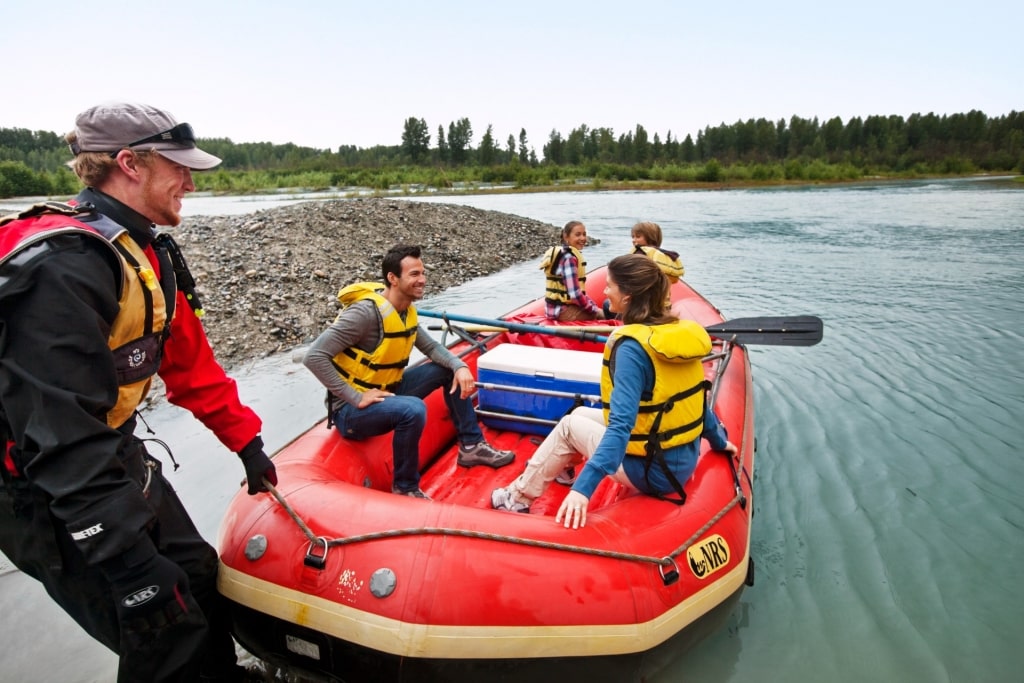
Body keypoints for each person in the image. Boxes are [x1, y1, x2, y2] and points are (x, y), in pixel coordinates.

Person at [0, 102, 277, 682]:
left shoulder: (147, 253)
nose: (191, 181)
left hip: (113, 451)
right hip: (45, 483)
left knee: (197, 576)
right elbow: (61, 437)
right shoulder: (63, 269)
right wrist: (129, 568)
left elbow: (191, 365)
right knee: (160, 621)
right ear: (128, 164)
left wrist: (246, 443)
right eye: (178, 167)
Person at [492, 253, 737, 528]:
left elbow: (621, 427)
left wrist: (583, 490)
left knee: (570, 425)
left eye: (610, 286)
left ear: (628, 297)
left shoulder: (633, 349)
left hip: (652, 471)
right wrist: (718, 440)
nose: (605, 292)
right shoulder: (676, 335)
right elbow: (691, 400)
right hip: (679, 459)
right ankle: (562, 470)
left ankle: (517, 498)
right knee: (583, 411)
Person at [303, 244, 514, 499]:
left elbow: (432, 348)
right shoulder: (365, 314)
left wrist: (459, 366)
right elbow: (314, 356)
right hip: (350, 411)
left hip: (387, 390)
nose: (422, 280)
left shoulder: (405, 312)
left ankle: (471, 446)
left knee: (446, 369)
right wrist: (356, 397)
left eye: (422, 273)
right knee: (412, 409)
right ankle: (405, 487)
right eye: (414, 274)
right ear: (393, 278)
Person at [539, 220, 603, 321]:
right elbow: (574, 294)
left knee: (599, 310)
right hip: (562, 312)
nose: (582, 238)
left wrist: (592, 305)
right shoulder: (569, 258)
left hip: (552, 310)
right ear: (566, 236)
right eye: (578, 235)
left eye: (584, 234)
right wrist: (593, 309)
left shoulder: (562, 254)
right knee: (604, 316)